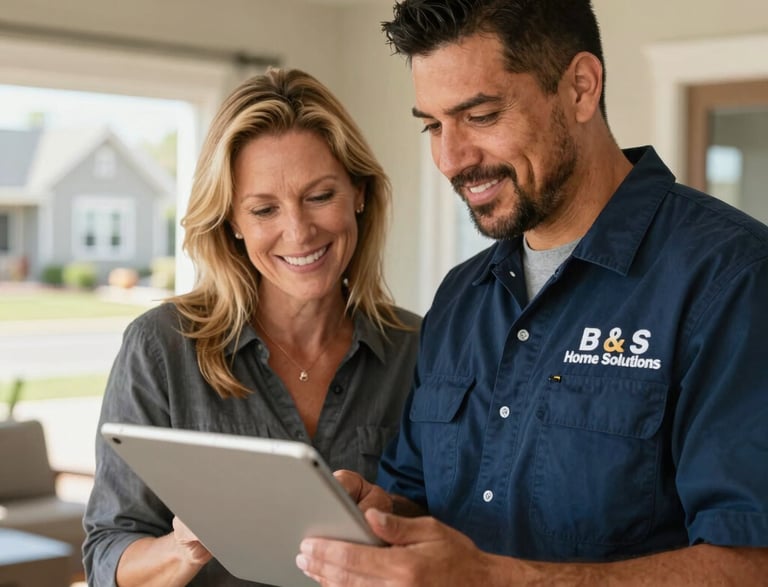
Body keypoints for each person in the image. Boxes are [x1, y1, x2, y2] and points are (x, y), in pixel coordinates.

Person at [296, 1, 768, 585]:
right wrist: (383, 514)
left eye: (482, 116)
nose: (450, 159)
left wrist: (492, 578)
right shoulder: (461, 297)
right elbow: (419, 491)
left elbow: (750, 563)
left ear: (580, 88)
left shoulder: (732, 278)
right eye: (432, 125)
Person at [82, 67, 421, 587]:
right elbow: (108, 555)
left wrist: (392, 518)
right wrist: (184, 547)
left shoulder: (419, 349)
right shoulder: (161, 348)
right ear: (232, 222)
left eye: (320, 196)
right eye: (264, 208)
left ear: (359, 192)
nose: (299, 231)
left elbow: (454, 531)